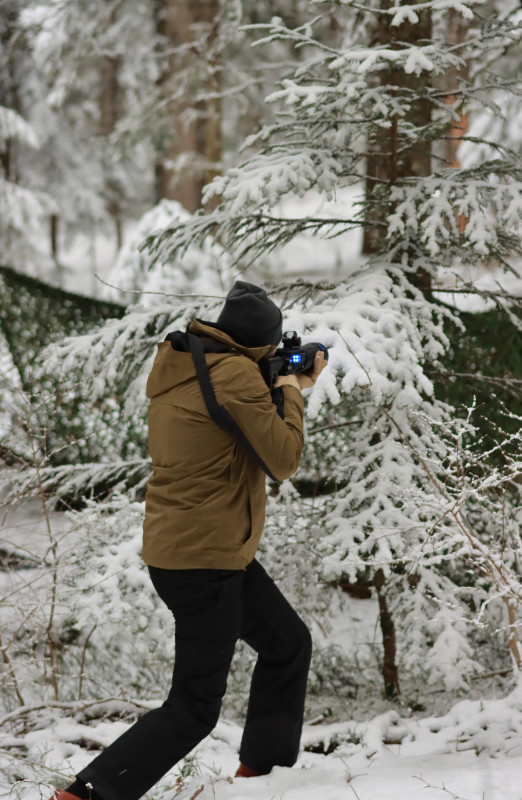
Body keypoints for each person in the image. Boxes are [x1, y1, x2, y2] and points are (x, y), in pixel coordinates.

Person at [51, 281, 327, 800]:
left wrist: (273, 377)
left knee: (287, 643)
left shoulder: (190, 364)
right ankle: (85, 794)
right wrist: (291, 386)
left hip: (198, 552)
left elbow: (228, 422)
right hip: (206, 563)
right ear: (257, 345)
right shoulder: (238, 377)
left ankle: (262, 775)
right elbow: (284, 458)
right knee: (195, 707)